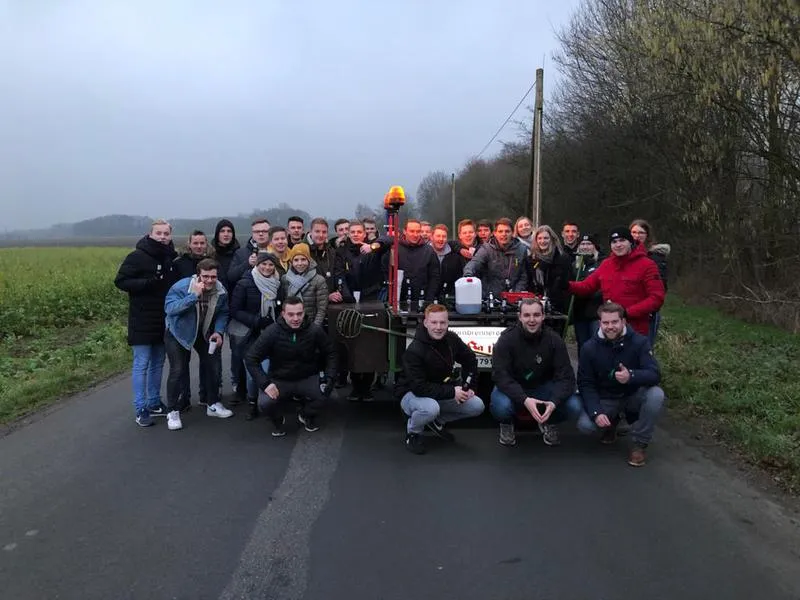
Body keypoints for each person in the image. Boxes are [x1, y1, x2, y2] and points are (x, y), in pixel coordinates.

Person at [573, 302, 665, 467]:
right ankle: (611, 423)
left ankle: (640, 443)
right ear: (600, 323)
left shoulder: (640, 342)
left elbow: (655, 374)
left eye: (614, 322)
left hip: (632, 395)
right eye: (606, 322)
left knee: (656, 395)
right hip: (606, 397)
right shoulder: (589, 348)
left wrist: (631, 376)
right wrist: (596, 412)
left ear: (623, 322)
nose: (610, 327)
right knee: (585, 426)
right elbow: (585, 383)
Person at [394, 304, 485, 455]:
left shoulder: (452, 339)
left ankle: (436, 421)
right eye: (434, 322)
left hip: (440, 390)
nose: (438, 327)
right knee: (430, 408)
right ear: (426, 323)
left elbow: (470, 359)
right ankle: (414, 432)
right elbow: (419, 387)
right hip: (411, 394)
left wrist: (468, 386)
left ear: (448, 323)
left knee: (477, 405)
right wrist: (452, 392)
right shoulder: (414, 350)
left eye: (442, 322)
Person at [114, 219, 178, 427]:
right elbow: (121, 281)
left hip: (163, 317)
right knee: (141, 364)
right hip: (141, 318)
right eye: (158, 233)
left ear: (170, 235)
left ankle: (154, 402)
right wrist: (147, 283)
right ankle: (141, 408)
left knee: (158, 362)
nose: (162, 237)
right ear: (150, 234)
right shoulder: (137, 256)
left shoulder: (171, 257)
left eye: (166, 233)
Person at [490, 298, 579, 447]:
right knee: (501, 407)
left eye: (536, 315)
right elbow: (500, 376)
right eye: (527, 315)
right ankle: (506, 424)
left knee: (574, 406)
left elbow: (566, 378)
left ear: (543, 316)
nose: (532, 320)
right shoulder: (506, 339)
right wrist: (524, 399)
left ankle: (549, 421)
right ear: (519, 317)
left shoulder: (554, 340)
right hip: (514, 388)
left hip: (542, 387)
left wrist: (554, 402)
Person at [244, 296, 337, 436]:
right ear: (283, 314)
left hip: (307, 377)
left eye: (299, 314)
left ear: (304, 313)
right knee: (265, 403)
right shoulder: (272, 332)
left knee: (325, 393)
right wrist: (265, 384)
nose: (296, 318)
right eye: (291, 314)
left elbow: (331, 352)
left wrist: (329, 377)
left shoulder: (314, 330)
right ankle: (278, 419)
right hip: (280, 379)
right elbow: (251, 358)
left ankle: (306, 414)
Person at [163, 258, 233, 431]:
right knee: (178, 369)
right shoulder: (182, 287)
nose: (209, 280)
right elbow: (170, 309)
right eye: (205, 276)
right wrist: (193, 296)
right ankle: (172, 411)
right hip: (179, 333)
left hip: (204, 331)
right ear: (198, 275)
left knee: (213, 365)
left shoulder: (221, 291)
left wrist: (218, 331)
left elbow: (223, 313)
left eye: (213, 277)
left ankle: (212, 403)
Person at [568, 227, 665, 337]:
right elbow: (587, 286)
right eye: (614, 242)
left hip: (635, 330)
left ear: (631, 242)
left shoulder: (647, 265)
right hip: (609, 330)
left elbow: (656, 298)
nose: (618, 245)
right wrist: (566, 285)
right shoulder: (606, 265)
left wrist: (627, 312)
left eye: (622, 240)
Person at [333, 220, 390, 401]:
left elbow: (389, 240)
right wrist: (348, 297)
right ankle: (356, 385)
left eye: (359, 232)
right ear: (348, 234)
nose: (356, 235)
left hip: (371, 299)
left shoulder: (373, 249)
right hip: (350, 300)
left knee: (370, 343)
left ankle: (367, 386)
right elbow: (339, 274)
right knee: (353, 343)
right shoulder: (342, 252)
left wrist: (373, 246)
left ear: (365, 234)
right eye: (353, 232)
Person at [229, 252, 284, 420]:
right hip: (250, 334)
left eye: (271, 264)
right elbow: (235, 310)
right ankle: (252, 403)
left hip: (271, 332)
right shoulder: (244, 283)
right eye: (263, 264)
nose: (267, 267)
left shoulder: (278, 283)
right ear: (257, 265)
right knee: (254, 372)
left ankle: (268, 401)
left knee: (269, 369)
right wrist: (256, 321)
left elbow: (281, 307)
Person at [173, 230, 217, 407]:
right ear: (189, 244)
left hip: (205, 320)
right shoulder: (179, 263)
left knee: (208, 360)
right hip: (185, 319)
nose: (199, 246)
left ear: (206, 244)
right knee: (182, 363)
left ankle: (205, 396)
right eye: (195, 243)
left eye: (202, 243)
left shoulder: (212, 263)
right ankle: (184, 398)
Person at [211, 219, 243, 398]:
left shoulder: (239, 253)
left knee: (237, 348)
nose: (226, 234)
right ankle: (215, 386)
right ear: (217, 234)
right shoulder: (210, 254)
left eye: (229, 231)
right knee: (214, 349)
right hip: (215, 307)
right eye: (222, 231)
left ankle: (237, 382)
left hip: (236, 305)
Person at [463, 217, 528, 296]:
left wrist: (516, 293)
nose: (504, 234)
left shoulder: (521, 249)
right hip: (490, 296)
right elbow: (474, 263)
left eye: (507, 231)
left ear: (512, 233)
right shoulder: (486, 249)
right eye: (500, 231)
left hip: (513, 296)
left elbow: (523, 275)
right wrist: (468, 275)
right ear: (495, 233)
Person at [630, 219, 670, 345]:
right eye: (634, 232)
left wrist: (650, 307)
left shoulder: (655, 257)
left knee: (645, 347)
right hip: (628, 309)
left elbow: (661, 286)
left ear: (647, 235)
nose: (637, 236)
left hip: (648, 312)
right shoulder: (624, 255)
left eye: (641, 233)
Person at [571, 234, 605, 356]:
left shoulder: (601, 263)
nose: (585, 247)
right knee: (583, 346)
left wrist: (587, 292)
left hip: (596, 313)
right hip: (580, 313)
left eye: (589, 244)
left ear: (594, 246)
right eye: (583, 244)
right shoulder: (575, 264)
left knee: (597, 345)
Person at [526, 225, 572, 316]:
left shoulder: (562, 258)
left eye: (546, 238)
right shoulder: (531, 259)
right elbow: (529, 282)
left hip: (558, 305)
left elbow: (568, 282)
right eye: (540, 238)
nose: (542, 241)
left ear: (552, 239)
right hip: (536, 304)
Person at [280, 243, 328, 326]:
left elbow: (322, 309)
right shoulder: (285, 279)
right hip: (290, 324)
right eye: (296, 260)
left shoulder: (319, 280)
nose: (300, 263)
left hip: (310, 324)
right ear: (291, 262)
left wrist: (315, 327)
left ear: (309, 260)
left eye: (303, 259)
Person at [396, 219, 440, 307]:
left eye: (418, 231)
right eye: (412, 231)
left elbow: (435, 277)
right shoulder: (395, 249)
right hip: (399, 300)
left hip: (422, 300)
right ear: (404, 231)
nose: (415, 235)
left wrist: (429, 300)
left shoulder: (429, 251)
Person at [228, 218, 271, 285]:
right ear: (252, 233)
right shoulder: (240, 253)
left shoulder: (278, 251)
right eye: (257, 231)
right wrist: (247, 264)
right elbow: (231, 277)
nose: (260, 234)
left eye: (265, 231)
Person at [430, 224, 463, 300]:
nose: (441, 239)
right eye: (438, 236)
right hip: (427, 299)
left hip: (448, 299)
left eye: (444, 236)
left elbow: (458, 280)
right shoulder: (425, 254)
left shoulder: (455, 257)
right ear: (431, 237)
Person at [307, 217, 337, 299]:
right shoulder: (303, 250)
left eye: (324, 232)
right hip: (311, 302)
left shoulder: (331, 251)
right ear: (310, 232)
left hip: (331, 300)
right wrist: (326, 296)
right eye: (317, 231)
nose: (321, 235)